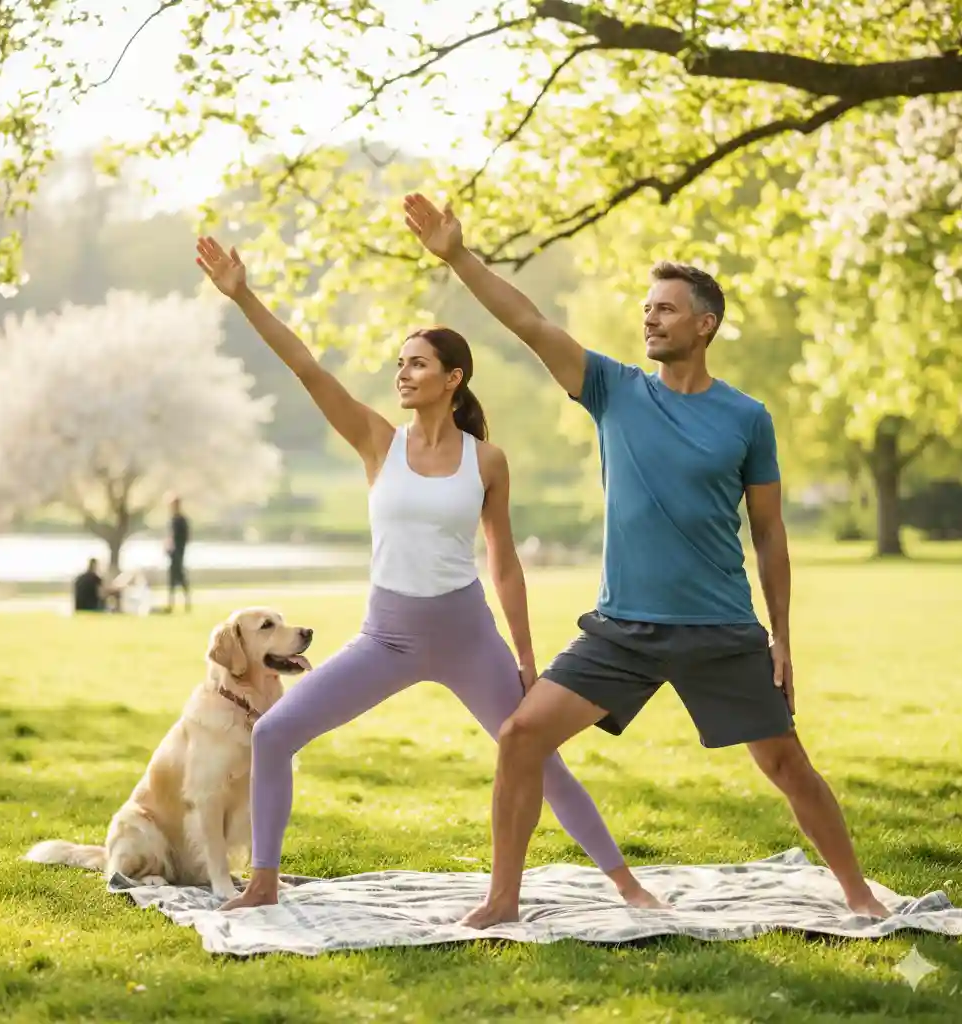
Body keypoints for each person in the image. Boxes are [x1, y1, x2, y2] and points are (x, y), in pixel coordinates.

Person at [403, 192, 891, 926]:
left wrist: (782, 634)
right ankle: (502, 900)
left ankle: (859, 894)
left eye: (665, 308)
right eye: (646, 308)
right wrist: (458, 256)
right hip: (623, 630)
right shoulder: (613, 390)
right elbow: (528, 322)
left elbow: (769, 532)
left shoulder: (746, 418)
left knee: (786, 765)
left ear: (706, 323)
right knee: (521, 736)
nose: (649, 319)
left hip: (720, 627)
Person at [194, 235, 662, 913]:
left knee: (534, 755)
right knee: (273, 732)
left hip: (469, 639)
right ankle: (263, 882)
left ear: (453, 378)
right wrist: (242, 295)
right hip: (385, 637)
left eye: (418, 364)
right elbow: (307, 368)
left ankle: (627, 883)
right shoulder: (377, 441)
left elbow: (503, 560)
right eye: (399, 364)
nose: (404, 374)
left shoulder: (488, 461)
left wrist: (528, 658)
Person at [166, 496, 191, 612]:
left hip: (178, 552)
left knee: (180, 577)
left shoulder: (181, 520)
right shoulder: (173, 519)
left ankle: (185, 603)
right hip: (173, 553)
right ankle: (171, 603)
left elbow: (184, 537)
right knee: (173, 578)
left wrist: (177, 548)